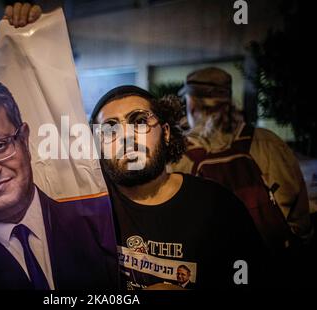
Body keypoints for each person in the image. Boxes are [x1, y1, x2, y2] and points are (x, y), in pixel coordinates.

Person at [90, 85, 269, 289]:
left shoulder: (219, 207)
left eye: (139, 122)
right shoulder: (91, 211)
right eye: (109, 129)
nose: (126, 137)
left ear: (165, 133)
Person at [173, 67, 313, 252]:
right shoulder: (269, 142)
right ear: (229, 101)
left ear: (191, 106)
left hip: (210, 268)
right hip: (268, 262)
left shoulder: (177, 154)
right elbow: (299, 215)